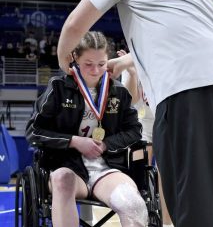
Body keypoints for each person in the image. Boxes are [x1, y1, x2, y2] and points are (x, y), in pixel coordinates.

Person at [57, 0, 213, 226]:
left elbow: (74, 28)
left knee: (192, 208)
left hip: (186, 84)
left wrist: (65, 67)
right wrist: (124, 61)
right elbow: (194, 33)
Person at [26, 31, 148, 227]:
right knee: (62, 179)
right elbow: (34, 131)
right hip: (67, 166)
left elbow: (134, 131)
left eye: (101, 64)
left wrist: (108, 144)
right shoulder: (58, 88)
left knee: (133, 204)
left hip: (107, 169)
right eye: (88, 64)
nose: (95, 71)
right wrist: (74, 141)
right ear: (75, 58)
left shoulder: (118, 92)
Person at [118, 49, 173, 227]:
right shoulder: (130, 59)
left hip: (165, 120)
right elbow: (130, 99)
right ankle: (140, 218)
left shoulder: (164, 57)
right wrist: (133, 74)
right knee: (140, 173)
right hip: (141, 124)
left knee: (166, 174)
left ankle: (167, 222)